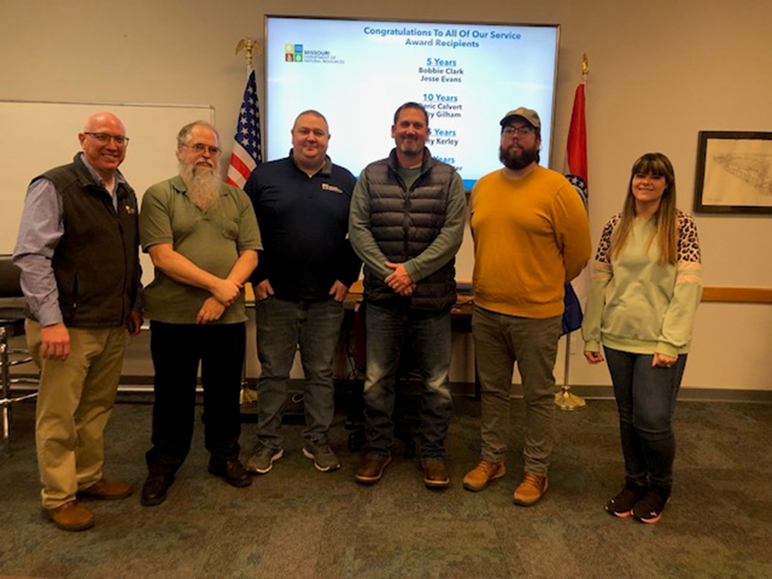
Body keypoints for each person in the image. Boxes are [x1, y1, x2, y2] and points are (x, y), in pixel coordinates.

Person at [13, 112, 143, 531]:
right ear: (83, 139)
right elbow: (32, 258)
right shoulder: (54, 186)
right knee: (59, 414)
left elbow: (128, 255)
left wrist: (133, 303)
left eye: (120, 139)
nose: (112, 145)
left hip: (111, 321)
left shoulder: (124, 190)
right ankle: (58, 495)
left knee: (96, 408)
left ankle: (87, 478)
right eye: (102, 137)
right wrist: (50, 321)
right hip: (67, 326)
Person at [463, 107, 591, 506]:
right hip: (486, 310)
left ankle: (536, 471)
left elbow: (579, 255)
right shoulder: (483, 186)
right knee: (494, 391)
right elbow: (480, 238)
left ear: (538, 141)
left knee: (537, 396)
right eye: (508, 131)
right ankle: (492, 460)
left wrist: (542, 284)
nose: (515, 138)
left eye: (524, 132)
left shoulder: (558, 189)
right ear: (501, 139)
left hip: (537, 314)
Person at [139, 121, 261, 506]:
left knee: (225, 394)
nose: (206, 156)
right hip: (175, 316)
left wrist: (224, 296)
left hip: (227, 317)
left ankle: (224, 458)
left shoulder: (236, 198)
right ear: (181, 152)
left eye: (212, 150)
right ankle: (164, 465)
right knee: (173, 395)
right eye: (198, 148)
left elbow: (251, 253)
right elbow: (163, 256)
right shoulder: (160, 195)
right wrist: (218, 286)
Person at [349, 102, 466, 488]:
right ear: (393, 130)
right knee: (377, 380)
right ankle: (377, 451)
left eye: (418, 125)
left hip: (431, 302)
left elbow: (452, 236)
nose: (410, 131)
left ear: (428, 132)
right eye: (404, 125)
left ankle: (433, 455)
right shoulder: (370, 175)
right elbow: (359, 230)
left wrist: (412, 271)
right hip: (383, 300)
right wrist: (391, 274)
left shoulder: (449, 178)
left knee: (436, 384)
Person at [582, 152, 702, 524]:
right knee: (628, 417)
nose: (645, 181)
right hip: (618, 337)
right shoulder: (615, 225)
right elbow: (600, 282)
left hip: (659, 343)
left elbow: (689, 288)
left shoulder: (681, 226)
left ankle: (659, 487)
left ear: (667, 184)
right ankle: (634, 483)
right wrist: (591, 335)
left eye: (655, 176)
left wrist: (670, 342)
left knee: (652, 420)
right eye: (639, 174)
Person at [243, 110, 360, 474]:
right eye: (305, 131)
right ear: (292, 135)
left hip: (327, 299)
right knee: (274, 373)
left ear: (329, 139)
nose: (312, 138)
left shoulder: (346, 181)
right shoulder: (264, 176)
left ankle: (317, 441)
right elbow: (244, 230)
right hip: (275, 296)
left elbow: (358, 234)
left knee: (321, 374)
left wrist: (347, 276)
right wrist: (256, 276)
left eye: (319, 133)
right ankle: (268, 443)